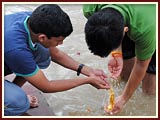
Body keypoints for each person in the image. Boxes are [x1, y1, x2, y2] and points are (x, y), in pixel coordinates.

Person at [4, 4, 111, 116]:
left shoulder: (33, 21)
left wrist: (88, 71)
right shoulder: (16, 49)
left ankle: (14, 88)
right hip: (11, 51)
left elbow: (55, 53)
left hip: (9, 52)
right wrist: (87, 80)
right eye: (58, 41)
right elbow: (46, 86)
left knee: (42, 51)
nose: (61, 44)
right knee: (18, 102)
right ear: (42, 37)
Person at [83, 4, 156, 115]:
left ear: (125, 30)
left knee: (149, 84)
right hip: (129, 17)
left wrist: (124, 99)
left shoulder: (146, 29)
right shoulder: (89, 9)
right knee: (125, 71)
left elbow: (141, 64)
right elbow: (105, 29)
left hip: (151, 16)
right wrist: (117, 54)